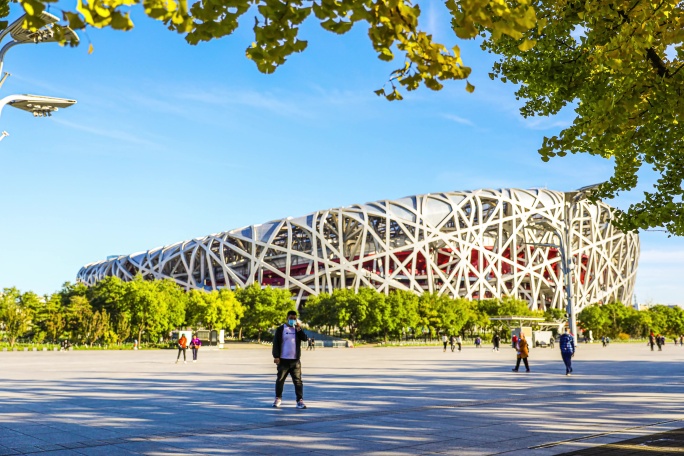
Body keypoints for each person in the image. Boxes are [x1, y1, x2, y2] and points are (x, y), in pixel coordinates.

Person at [272, 310, 308, 409]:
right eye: (291, 318)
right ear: (287, 318)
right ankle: (278, 398)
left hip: (295, 361)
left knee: (298, 381)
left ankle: (299, 401)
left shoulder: (297, 330)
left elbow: (305, 338)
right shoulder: (281, 329)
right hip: (283, 360)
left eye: (294, 318)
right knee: (280, 380)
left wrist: (299, 329)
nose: (292, 320)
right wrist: (276, 356)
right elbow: (276, 343)